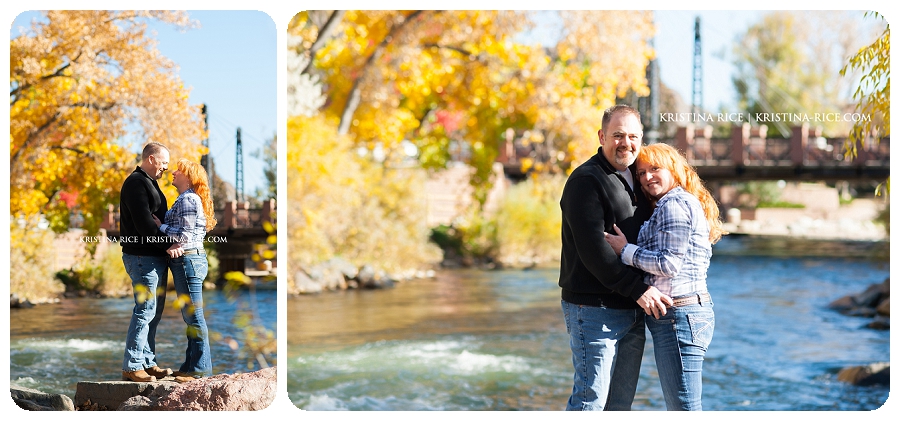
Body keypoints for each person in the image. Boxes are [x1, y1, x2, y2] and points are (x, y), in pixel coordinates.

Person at [559, 104, 673, 411]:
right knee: (590, 401)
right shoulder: (586, 180)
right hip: (593, 309)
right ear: (602, 136)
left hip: (632, 310)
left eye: (633, 136)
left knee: (619, 407)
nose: (626, 142)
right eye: (618, 135)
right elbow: (594, 252)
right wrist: (640, 290)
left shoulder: (640, 178)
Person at [605, 142, 726, 410]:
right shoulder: (672, 203)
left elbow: (668, 264)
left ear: (674, 169)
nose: (647, 177)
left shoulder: (674, 205)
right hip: (682, 315)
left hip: (679, 317)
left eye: (655, 169)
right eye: (641, 173)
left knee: (683, 408)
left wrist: (624, 250)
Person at [119, 141, 181, 382]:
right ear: (151, 159)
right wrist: (169, 245)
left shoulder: (150, 182)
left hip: (153, 257)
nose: (165, 168)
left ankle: (147, 361)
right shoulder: (136, 183)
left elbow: (157, 219)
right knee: (145, 310)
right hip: (141, 256)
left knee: (153, 313)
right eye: (163, 163)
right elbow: (144, 224)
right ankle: (132, 365)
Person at [153, 158, 217, 383]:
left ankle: (199, 370)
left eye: (179, 171)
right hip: (188, 260)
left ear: (189, 177)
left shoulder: (189, 198)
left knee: (194, 317)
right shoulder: (185, 198)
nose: (173, 173)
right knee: (190, 317)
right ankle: (190, 366)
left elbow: (185, 235)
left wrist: (159, 225)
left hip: (188, 260)